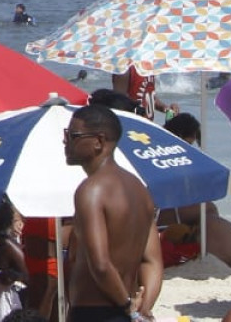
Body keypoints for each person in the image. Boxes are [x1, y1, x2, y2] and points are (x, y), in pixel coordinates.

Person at [64, 103, 161, 322]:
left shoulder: (92, 190)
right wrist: (141, 310)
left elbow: (100, 264)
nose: (65, 141)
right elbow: (152, 261)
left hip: (94, 312)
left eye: (73, 135)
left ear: (98, 141)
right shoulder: (140, 190)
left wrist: (128, 307)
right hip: (122, 310)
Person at [155, 114, 231, 271]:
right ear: (177, 138)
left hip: (179, 235)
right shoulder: (161, 164)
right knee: (213, 224)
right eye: (187, 144)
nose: (188, 150)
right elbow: (161, 213)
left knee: (216, 230)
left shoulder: (159, 161)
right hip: (168, 237)